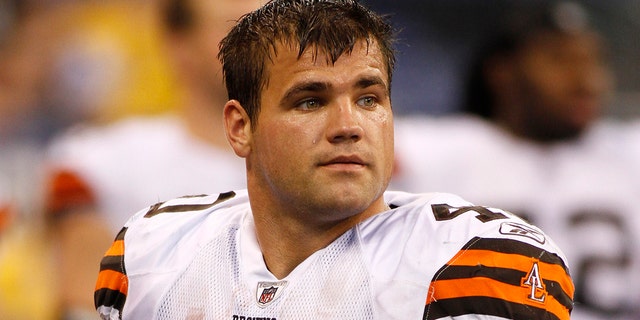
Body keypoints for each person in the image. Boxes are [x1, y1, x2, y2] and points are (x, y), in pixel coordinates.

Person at [94, 1, 574, 319]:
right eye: (310, 101)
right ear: (241, 128)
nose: (348, 125)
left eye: (369, 99)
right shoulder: (154, 251)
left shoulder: (470, 262)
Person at [392, 2, 640, 319]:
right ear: (502, 72)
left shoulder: (629, 153)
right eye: (560, 60)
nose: (586, 81)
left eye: (593, 61)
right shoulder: (438, 151)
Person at [42, 0, 259, 317]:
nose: (257, 41)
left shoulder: (319, 159)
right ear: (179, 43)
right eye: (233, 26)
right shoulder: (105, 161)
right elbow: (83, 305)